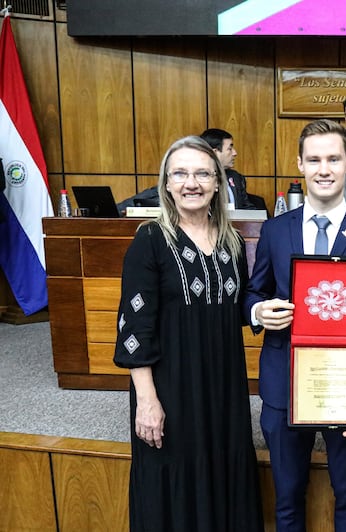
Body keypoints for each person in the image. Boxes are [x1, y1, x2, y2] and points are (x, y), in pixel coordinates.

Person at [243, 119, 346, 531]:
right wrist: (258, 313)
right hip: (284, 385)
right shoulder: (274, 232)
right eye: (313, 160)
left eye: (331, 159)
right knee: (287, 496)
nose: (323, 169)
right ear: (300, 165)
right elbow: (252, 295)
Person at [113, 136, 263, 531]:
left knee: (223, 469)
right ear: (165, 183)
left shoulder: (231, 241)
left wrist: (263, 310)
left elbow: (241, 305)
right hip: (171, 389)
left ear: (218, 182)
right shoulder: (150, 240)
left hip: (224, 388)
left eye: (201, 173)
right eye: (179, 173)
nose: (190, 183)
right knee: (175, 478)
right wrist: (147, 402)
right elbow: (134, 328)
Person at [117, 128, 267, 214]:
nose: (234, 153)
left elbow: (249, 211)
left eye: (203, 174)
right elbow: (152, 194)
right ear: (215, 152)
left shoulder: (236, 178)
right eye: (230, 148)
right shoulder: (178, 184)